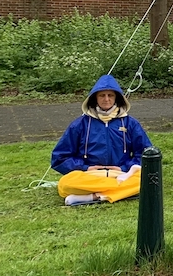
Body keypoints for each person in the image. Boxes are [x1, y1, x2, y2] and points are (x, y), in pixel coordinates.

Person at [51, 74, 152, 205]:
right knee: (65, 183)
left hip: (121, 175)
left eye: (110, 95)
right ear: (95, 98)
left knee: (145, 180)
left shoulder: (130, 123)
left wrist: (124, 168)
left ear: (117, 98)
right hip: (90, 177)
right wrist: (86, 168)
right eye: (102, 95)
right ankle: (118, 192)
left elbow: (146, 154)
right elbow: (59, 158)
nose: (106, 99)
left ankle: (93, 197)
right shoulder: (80, 124)